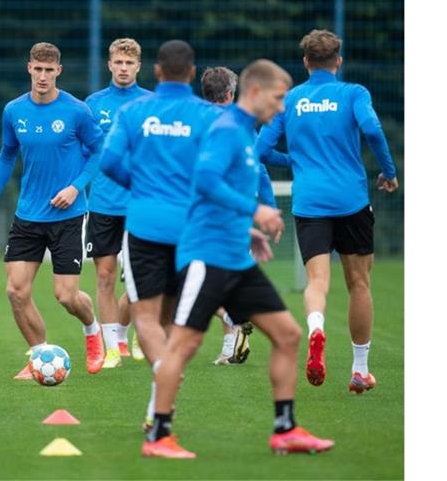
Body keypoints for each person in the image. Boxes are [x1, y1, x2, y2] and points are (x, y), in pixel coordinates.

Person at [142, 59, 334, 459]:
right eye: (279, 98)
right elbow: (206, 181)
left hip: (236, 257)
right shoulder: (227, 131)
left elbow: (220, 191)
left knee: (288, 334)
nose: (282, 107)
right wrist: (255, 213)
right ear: (256, 92)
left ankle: (285, 429)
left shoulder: (246, 133)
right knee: (183, 345)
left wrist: (245, 230)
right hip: (206, 258)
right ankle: (159, 436)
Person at [257, 29, 398, 393]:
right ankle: (359, 369)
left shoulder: (289, 99)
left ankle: (316, 327)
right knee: (359, 283)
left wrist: (293, 160)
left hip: (310, 202)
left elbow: (259, 149)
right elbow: (372, 128)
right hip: (350, 200)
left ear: (305, 62)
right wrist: (389, 171)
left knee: (317, 281)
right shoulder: (354, 93)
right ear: (338, 61)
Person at [100, 40, 219, 429]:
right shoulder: (208, 116)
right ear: (192, 73)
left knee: (145, 317)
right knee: (170, 319)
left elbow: (109, 162)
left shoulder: (135, 112)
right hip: (191, 229)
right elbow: (219, 170)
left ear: (155, 71)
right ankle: (158, 407)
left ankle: (164, 376)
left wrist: (142, 186)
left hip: (146, 226)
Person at [0, 42, 106, 378]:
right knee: (15, 291)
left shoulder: (77, 111)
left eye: (49, 70)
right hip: (27, 216)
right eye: (37, 69)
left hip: (68, 216)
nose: (42, 76)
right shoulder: (14, 111)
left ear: (58, 72)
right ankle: (39, 356)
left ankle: (92, 329)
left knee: (66, 296)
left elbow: (98, 153)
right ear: (28, 69)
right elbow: (7, 155)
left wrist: (75, 186)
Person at [200, 66, 283, 366]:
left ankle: (231, 321)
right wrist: (268, 207)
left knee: (190, 282)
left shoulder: (196, 122)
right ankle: (229, 345)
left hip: (202, 216)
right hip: (240, 215)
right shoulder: (242, 124)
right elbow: (259, 166)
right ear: (231, 94)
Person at [84, 38, 152, 368]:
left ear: (138, 66)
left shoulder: (151, 103)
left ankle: (137, 333)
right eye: (118, 62)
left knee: (145, 277)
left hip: (141, 204)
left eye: (129, 63)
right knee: (105, 277)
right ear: (109, 65)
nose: (123, 68)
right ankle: (113, 349)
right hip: (102, 204)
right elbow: (84, 155)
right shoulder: (93, 105)